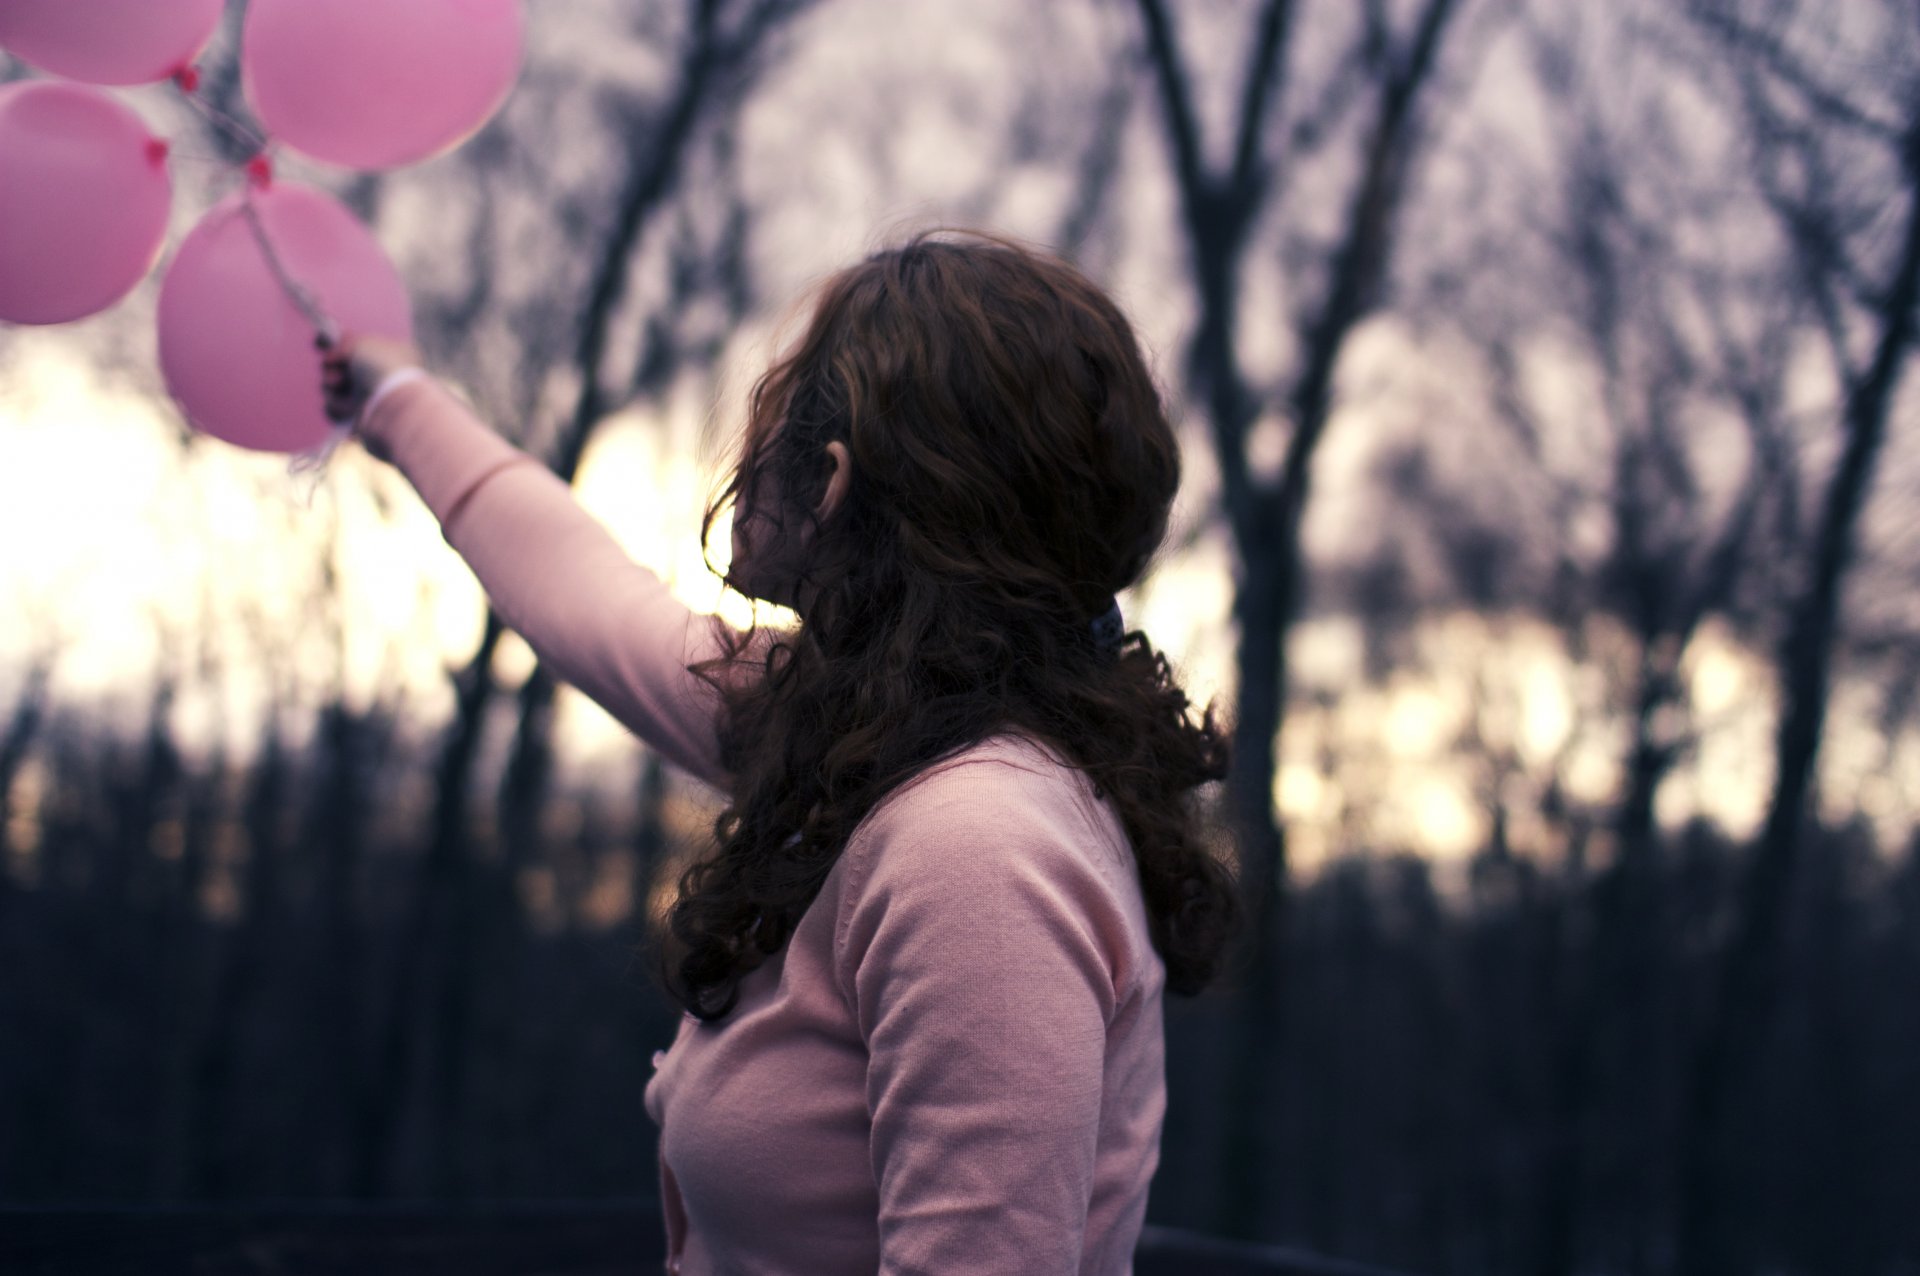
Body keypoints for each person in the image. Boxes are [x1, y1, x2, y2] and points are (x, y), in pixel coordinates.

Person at [321, 230, 1240, 1275]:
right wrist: (393, 397)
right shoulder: (866, 733)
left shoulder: (977, 847)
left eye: (782, 397)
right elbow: (591, 603)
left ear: (832, 479)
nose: (749, 430)